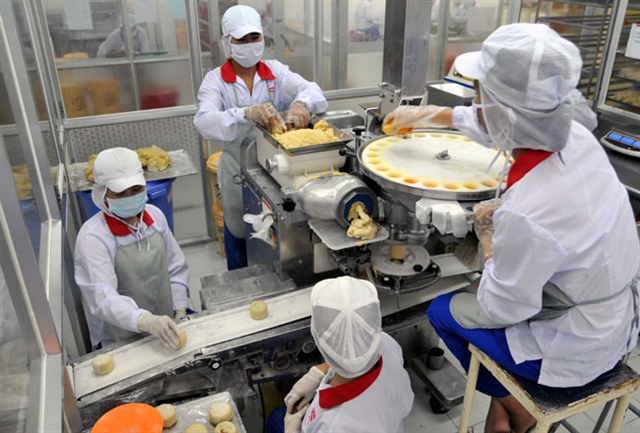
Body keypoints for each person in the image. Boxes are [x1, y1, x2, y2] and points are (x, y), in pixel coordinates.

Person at [383, 23, 639, 433]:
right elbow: (500, 122)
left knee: (441, 312)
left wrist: (489, 245)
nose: (476, 101)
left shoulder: (529, 210)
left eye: (479, 92)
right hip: (617, 323)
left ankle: (513, 404)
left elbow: (503, 308)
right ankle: (504, 413)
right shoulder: (574, 135)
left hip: (573, 351)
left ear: (502, 109)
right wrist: (430, 114)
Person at [194, 5, 327, 271]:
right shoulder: (216, 81)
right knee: (239, 235)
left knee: (278, 239)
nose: (249, 44)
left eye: (254, 37)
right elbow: (204, 121)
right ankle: (242, 283)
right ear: (227, 43)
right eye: (241, 39)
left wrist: (301, 104)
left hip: (276, 172)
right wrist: (245, 113)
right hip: (238, 173)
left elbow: (311, 89)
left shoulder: (275, 72)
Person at [74, 148, 190, 350]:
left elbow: (175, 267)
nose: (129, 196)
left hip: (164, 327)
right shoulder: (94, 237)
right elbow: (104, 298)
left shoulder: (155, 216)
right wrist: (145, 320)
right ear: (103, 193)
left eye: (136, 189)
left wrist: (179, 309)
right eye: (120, 193)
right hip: (119, 338)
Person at [266, 276, 414, 433]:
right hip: (389, 422)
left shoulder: (336, 426)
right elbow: (355, 355)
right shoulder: (386, 343)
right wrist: (317, 373)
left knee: (276, 418)